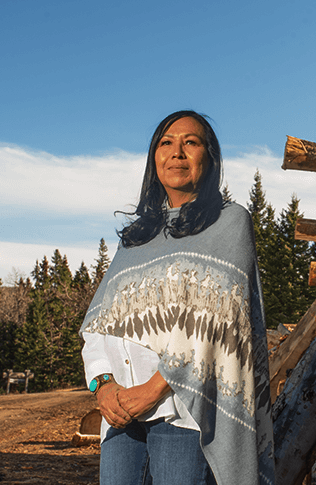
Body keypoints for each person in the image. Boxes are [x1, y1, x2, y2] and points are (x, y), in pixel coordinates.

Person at [80, 110, 274, 485]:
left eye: (191, 142)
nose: (177, 152)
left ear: (210, 157)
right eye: (166, 143)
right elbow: (99, 324)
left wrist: (154, 390)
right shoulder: (136, 238)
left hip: (182, 412)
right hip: (120, 415)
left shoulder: (228, 222)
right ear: (154, 159)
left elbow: (217, 321)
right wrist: (102, 385)